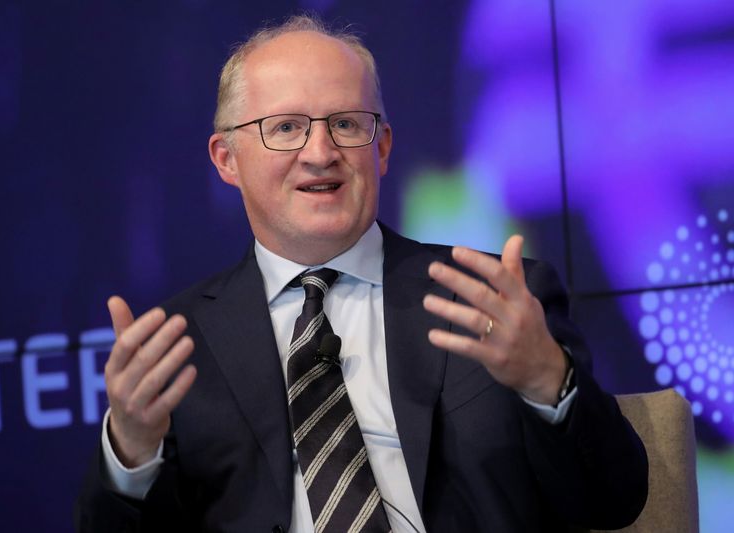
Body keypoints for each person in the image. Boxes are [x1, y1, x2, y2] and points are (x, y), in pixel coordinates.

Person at [75, 15, 648, 533]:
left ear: (384, 148)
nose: (320, 152)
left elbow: (614, 501)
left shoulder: (495, 300)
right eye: (285, 128)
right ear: (227, 159)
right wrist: (130, 451)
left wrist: (549, 379)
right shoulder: (177, 348)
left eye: (347, 123)